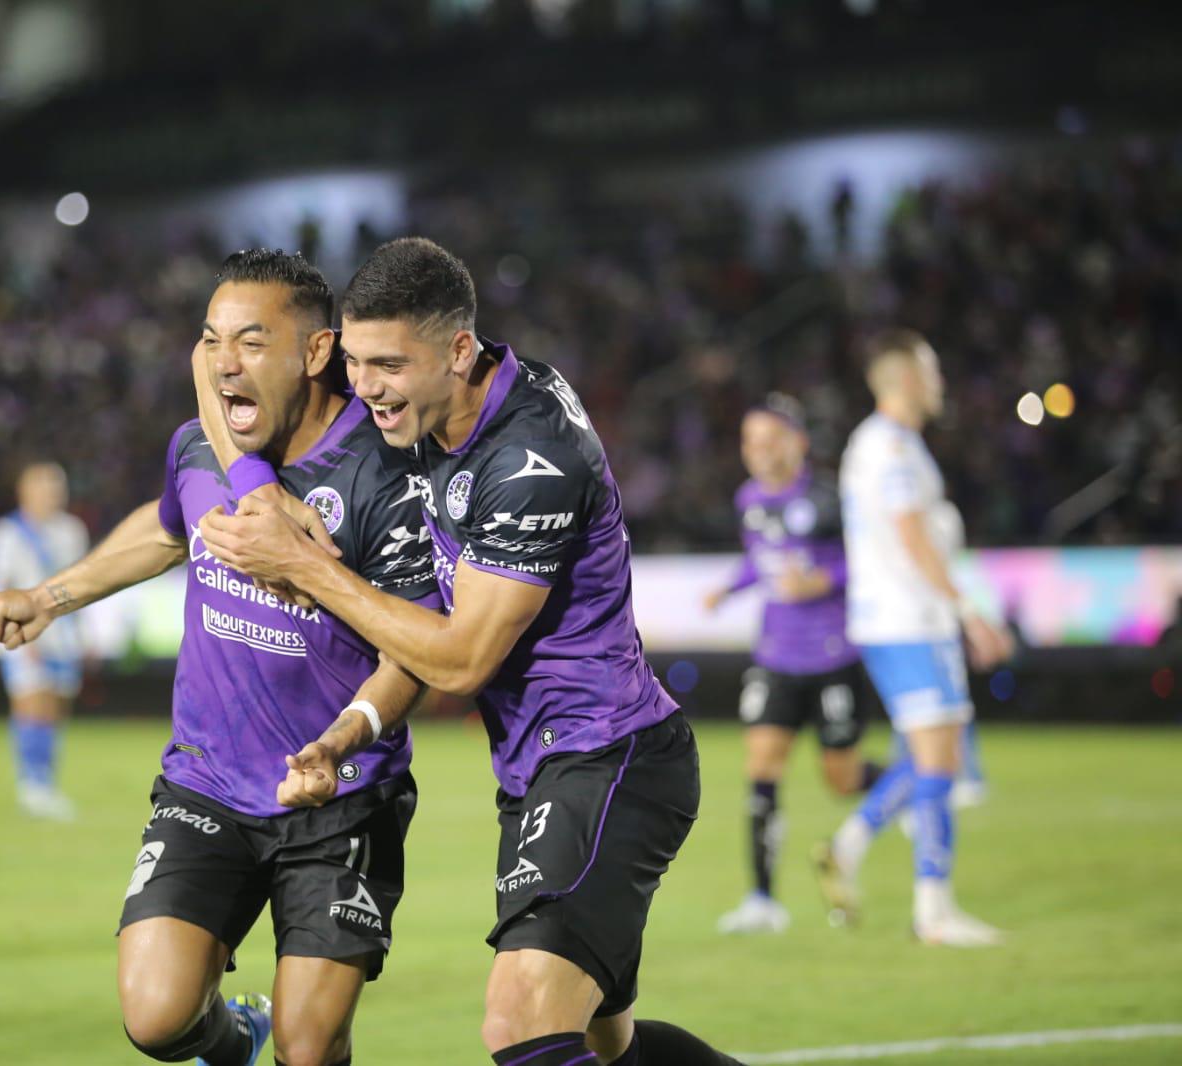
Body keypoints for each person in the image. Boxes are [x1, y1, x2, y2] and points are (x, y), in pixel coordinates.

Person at [199, 237, 742, 1066]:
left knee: (520, 1021)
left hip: (607, 759)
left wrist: (301, 563)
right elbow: (210, 367)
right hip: (537, 769)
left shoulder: (532, 460)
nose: (365, 388)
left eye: (387, 366)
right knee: (610, 1047)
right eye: (354, 363)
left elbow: (460, 663)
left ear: (458, 351)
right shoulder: (416, 384)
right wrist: (259, 489)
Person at [0, 250, 438, 1066]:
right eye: (213, 340)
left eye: (252, 342)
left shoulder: (384, 475)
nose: (226, 362)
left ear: (317, 351)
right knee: (156, 1018)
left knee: (310, 1046)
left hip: (339, 795)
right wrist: (48, 599)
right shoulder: (198, 447)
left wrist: (340, 743)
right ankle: (236, 1039)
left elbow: (414, 648)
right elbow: (165, 532)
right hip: (209, 783)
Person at [812, 328, 1013, 946]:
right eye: (931, 371)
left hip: (899, 620)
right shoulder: (891, 447)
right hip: (909, 621)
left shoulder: (880, 444)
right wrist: (970, 612)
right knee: (939, 764)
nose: (940, 382)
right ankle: (933, 910)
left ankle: (851, 848)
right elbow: (912, 537)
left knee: (935, 758)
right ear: (905, 379)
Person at [703, 394, 883, 936]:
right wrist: (728, 589)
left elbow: (869, 560)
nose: (759, 450)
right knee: (761, 767)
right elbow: (760, 561)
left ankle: (909, 783)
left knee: (842, 779)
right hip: (776, 655)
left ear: (797, 442)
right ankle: (761, 900)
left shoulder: (829, 499)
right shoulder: (748, 499)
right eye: (750, 441)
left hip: (832, 656)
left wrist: (822, 581)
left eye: (770, 439)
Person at [0, 461, 89, 819]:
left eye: (56, 486)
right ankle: (31, 784)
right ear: (24, 491)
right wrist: (19, 637)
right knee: (32, 701)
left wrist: (85, 635)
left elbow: (84, 585)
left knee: (56, 707)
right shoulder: (8, 532)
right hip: (25, 630)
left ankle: (46, 781)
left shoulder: (71, 530)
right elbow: (1, 585)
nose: (51, 493)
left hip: (64, 632)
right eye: (43, 486)